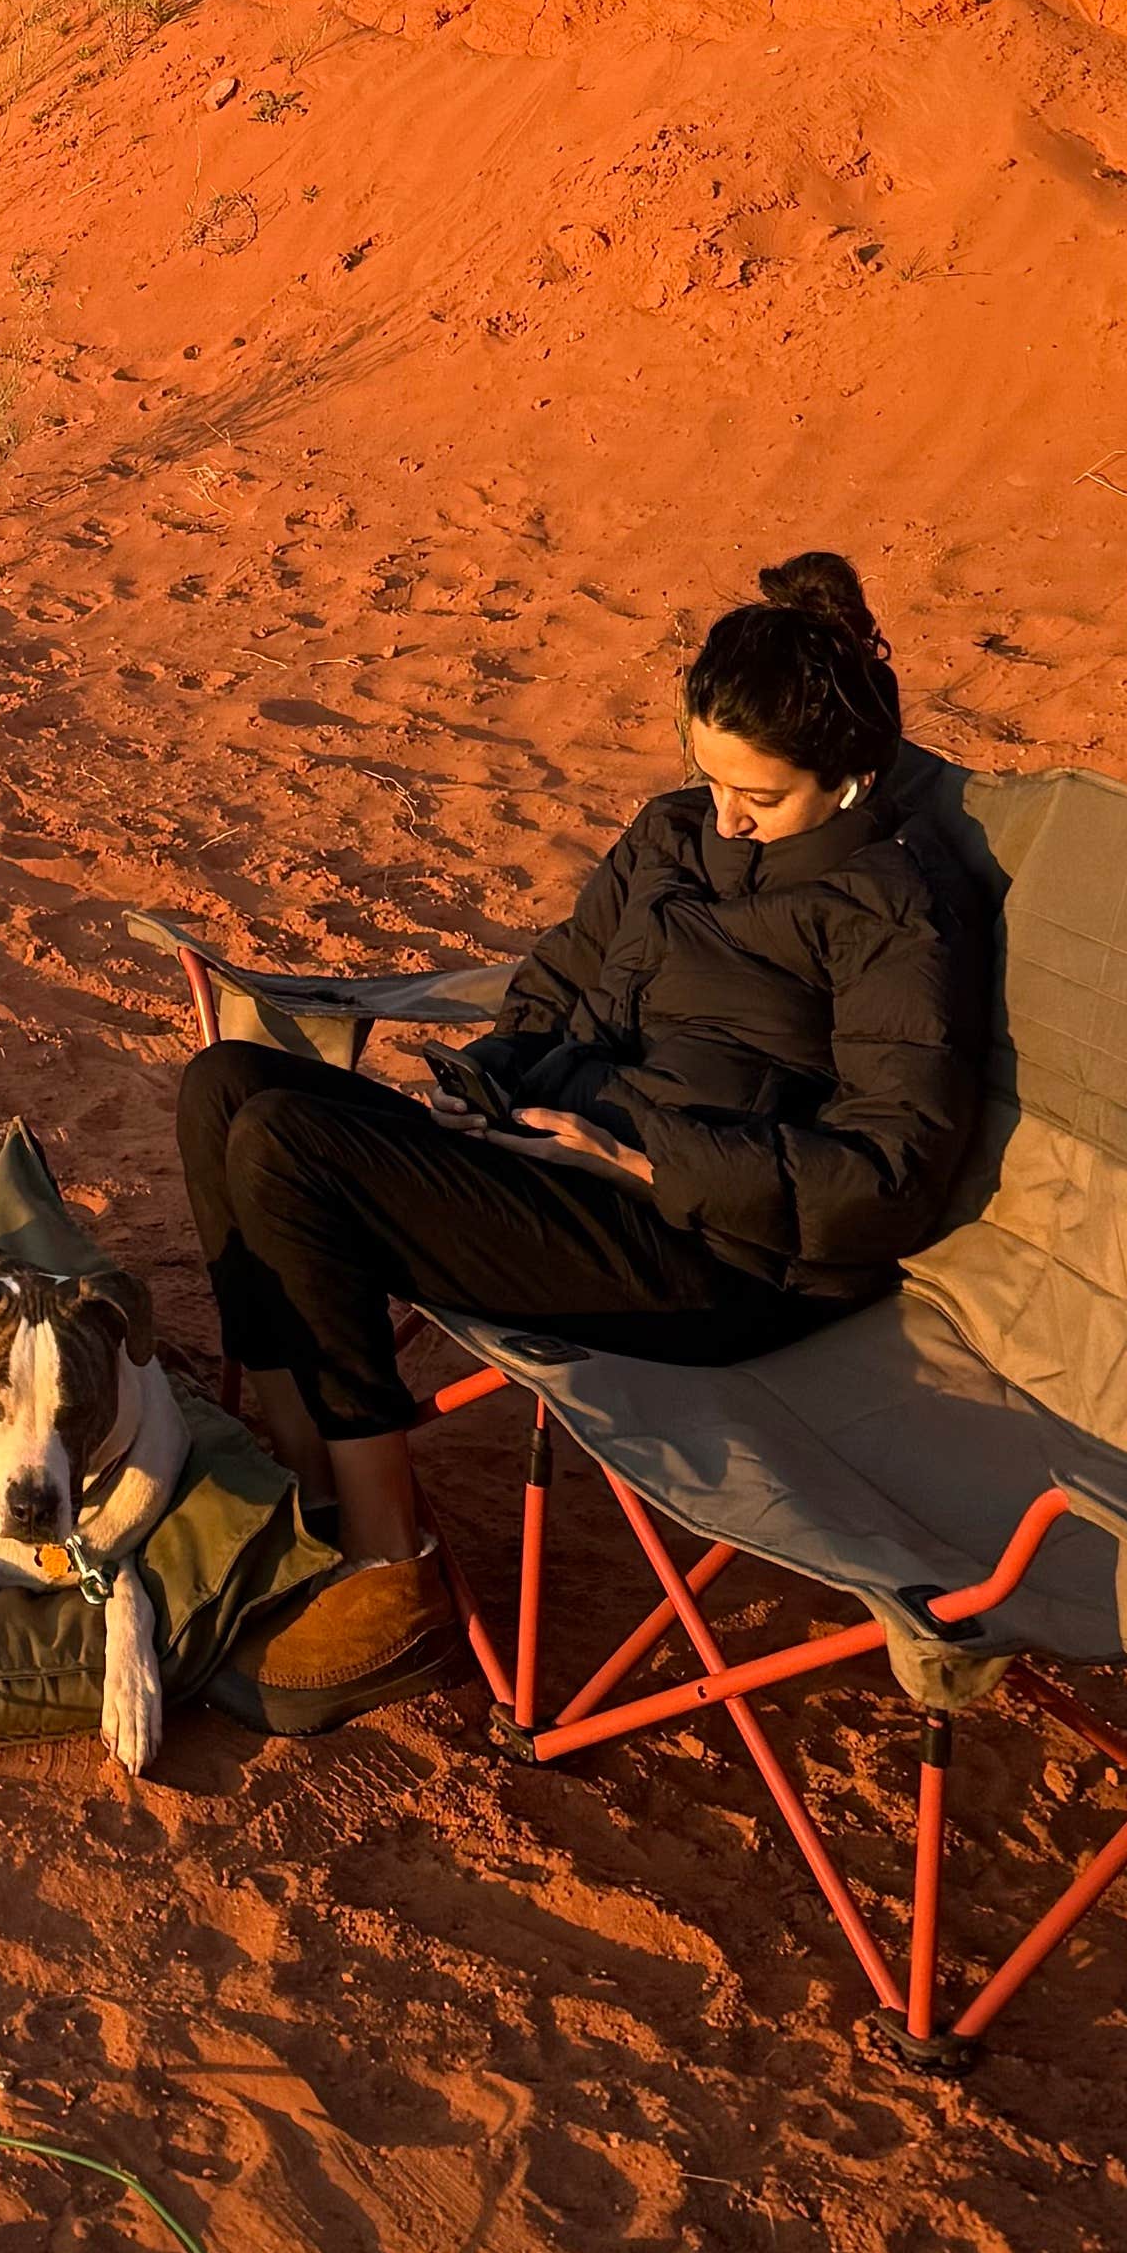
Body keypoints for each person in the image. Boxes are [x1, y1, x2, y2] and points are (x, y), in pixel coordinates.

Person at [186, 554, 984, 1723]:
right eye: (708, 778)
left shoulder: (890, 919)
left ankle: (386, 1562)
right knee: (225, 1086)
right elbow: (551, 993)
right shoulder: (671, 837)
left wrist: (639, 1158)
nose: (723, 816)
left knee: (288, 1148)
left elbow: (888, 1179)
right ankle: (303, 1477)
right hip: (561, 1168)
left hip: (709, 1254)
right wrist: (492, 1089)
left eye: (758, 799)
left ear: (852, 782)